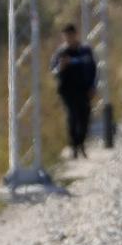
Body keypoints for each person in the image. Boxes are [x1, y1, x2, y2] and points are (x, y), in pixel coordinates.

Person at [50, 23, 97, 158]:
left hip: (84, 89)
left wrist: (93, 86)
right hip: (67, 90)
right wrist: (61, 66)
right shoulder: (60, 53)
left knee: (85, 116)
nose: (69, 38)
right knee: (72, 116)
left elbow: (93, 69)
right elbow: (53, 70)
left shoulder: (85, 50)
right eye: (66, 36)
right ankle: (74, 146)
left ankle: (81, 143)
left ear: (75, 35)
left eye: (71, 35)